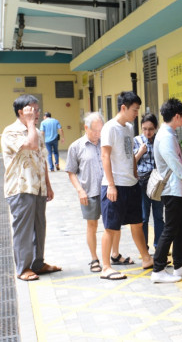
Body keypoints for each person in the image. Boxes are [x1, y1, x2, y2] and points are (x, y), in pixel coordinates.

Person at [2, 95, 62, 281]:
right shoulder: (10, 132)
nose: (37, 113)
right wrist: (29, 125)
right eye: (32, 110)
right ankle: (23, 268)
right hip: (20, 188)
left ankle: (38, 263)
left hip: (38, 188)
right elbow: (31, 145)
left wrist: (48, 186)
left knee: (39, 227)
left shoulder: (36, 131)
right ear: (21, 112)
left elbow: (42, 159)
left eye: (37, 109)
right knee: (23, 230)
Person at [100, 91, 153, 280]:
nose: (137, 113)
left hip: (131, 184)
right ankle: (106, 267)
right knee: (111, 227)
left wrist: (135, 173)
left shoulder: (129, 127)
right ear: (123, 108)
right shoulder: (110, 128)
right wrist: (111, 186)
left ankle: (146, 258)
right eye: (134, 109)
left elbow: (130, 154)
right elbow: (105, 156)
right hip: (115, 185)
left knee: (137, 223)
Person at [151, 98, 182, 283]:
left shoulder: (169, 134)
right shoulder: (165, 136)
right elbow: (174, 164)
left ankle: (179, 266)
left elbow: (179, 162)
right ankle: (158, 269)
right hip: (172, 190)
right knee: (171, 229)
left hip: (178, 189)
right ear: (177, 116)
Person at [65, 112, 105, 273]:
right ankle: (94, 258)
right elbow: (71, 171)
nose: (97, 134)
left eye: (100, 130)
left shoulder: (105, 143)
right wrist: (80, 190)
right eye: (94, 130)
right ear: (86, 128)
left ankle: (114, 254)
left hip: (107, 189)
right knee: (92, 225)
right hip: (89, 191)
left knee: (112, 225)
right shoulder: (76, 146)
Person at [134, 113, 164, 251]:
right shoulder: (136, 141)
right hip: (142, 183)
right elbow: (131, 162)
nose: (147, 132)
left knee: (158, 215)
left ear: (156, 127)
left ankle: (159, 246)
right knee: (144, 217)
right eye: (144, 128)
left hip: (158, 183)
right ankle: (144, 247)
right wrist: (140, 152)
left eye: (150, 129)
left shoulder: (160, 140)